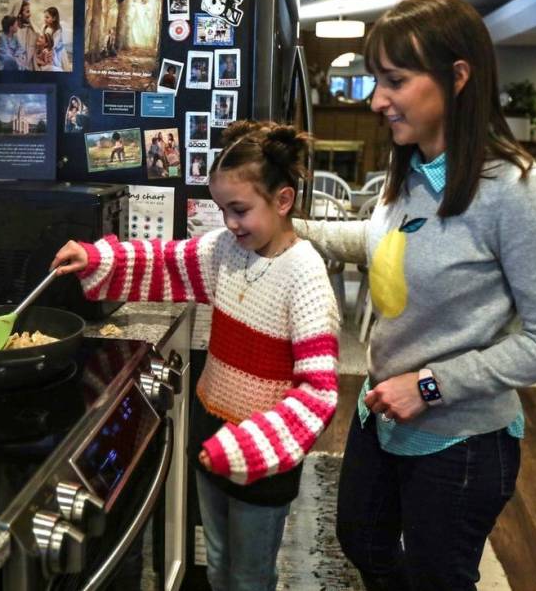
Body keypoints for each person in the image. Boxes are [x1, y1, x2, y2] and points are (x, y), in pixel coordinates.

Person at [295, 0, 536, 590]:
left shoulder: (519, 193)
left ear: (457, 77)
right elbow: (382, 244)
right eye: (377, 80)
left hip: (462, 440)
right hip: (383, 414)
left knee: (439, 576)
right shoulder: (413, 173)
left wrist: (432, 385)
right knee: (362, 538)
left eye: (394, 81)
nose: (377, 101)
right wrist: (284, 227)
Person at [52, 120, 340, 591]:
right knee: (221, 565)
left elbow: (319, 393)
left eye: (240, 210)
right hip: (212, 435)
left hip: (264, 457)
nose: (229, 222)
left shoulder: (304, 277)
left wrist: (248, 445)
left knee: (249, 577)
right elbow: (165, 261)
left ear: (283, 200)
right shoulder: (226, 250)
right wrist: (97, 258)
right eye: (223, 209)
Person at [42, 6, 69, 71]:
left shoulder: (57, 30)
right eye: (45, 17)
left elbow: (53, 44)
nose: (45, 19)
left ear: (54, 18)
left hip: (58, 52)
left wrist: (46, 49)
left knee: (61, 68)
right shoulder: (45, 28)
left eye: (47, 17)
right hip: (50, 50)